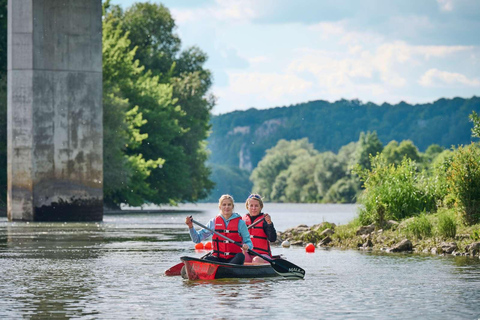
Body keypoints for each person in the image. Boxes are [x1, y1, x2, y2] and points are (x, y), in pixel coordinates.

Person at [185, 194, 253, 265]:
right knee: (207, 259)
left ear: (232, 206)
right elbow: (197, 239)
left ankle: (226, 269)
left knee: (241, 256)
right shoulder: (213, 222)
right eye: (224, 205)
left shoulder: (240, 223)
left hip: (233, 259)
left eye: (229, 204)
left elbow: (249, 243)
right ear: (220, 207)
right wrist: (190, 227)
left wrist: (247, 246)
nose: (226, 207)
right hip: (218, 259)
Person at [242, 194, 277, 262]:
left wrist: (269, 223)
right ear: (247, 206)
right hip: (248, 255)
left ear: (260, 207)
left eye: (256, 206)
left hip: (262, 255)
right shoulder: (243, 221)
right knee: (239, 255)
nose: (253, 208)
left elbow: (273, 239)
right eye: (251, 205)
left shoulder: (264, 221)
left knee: (256, 260)